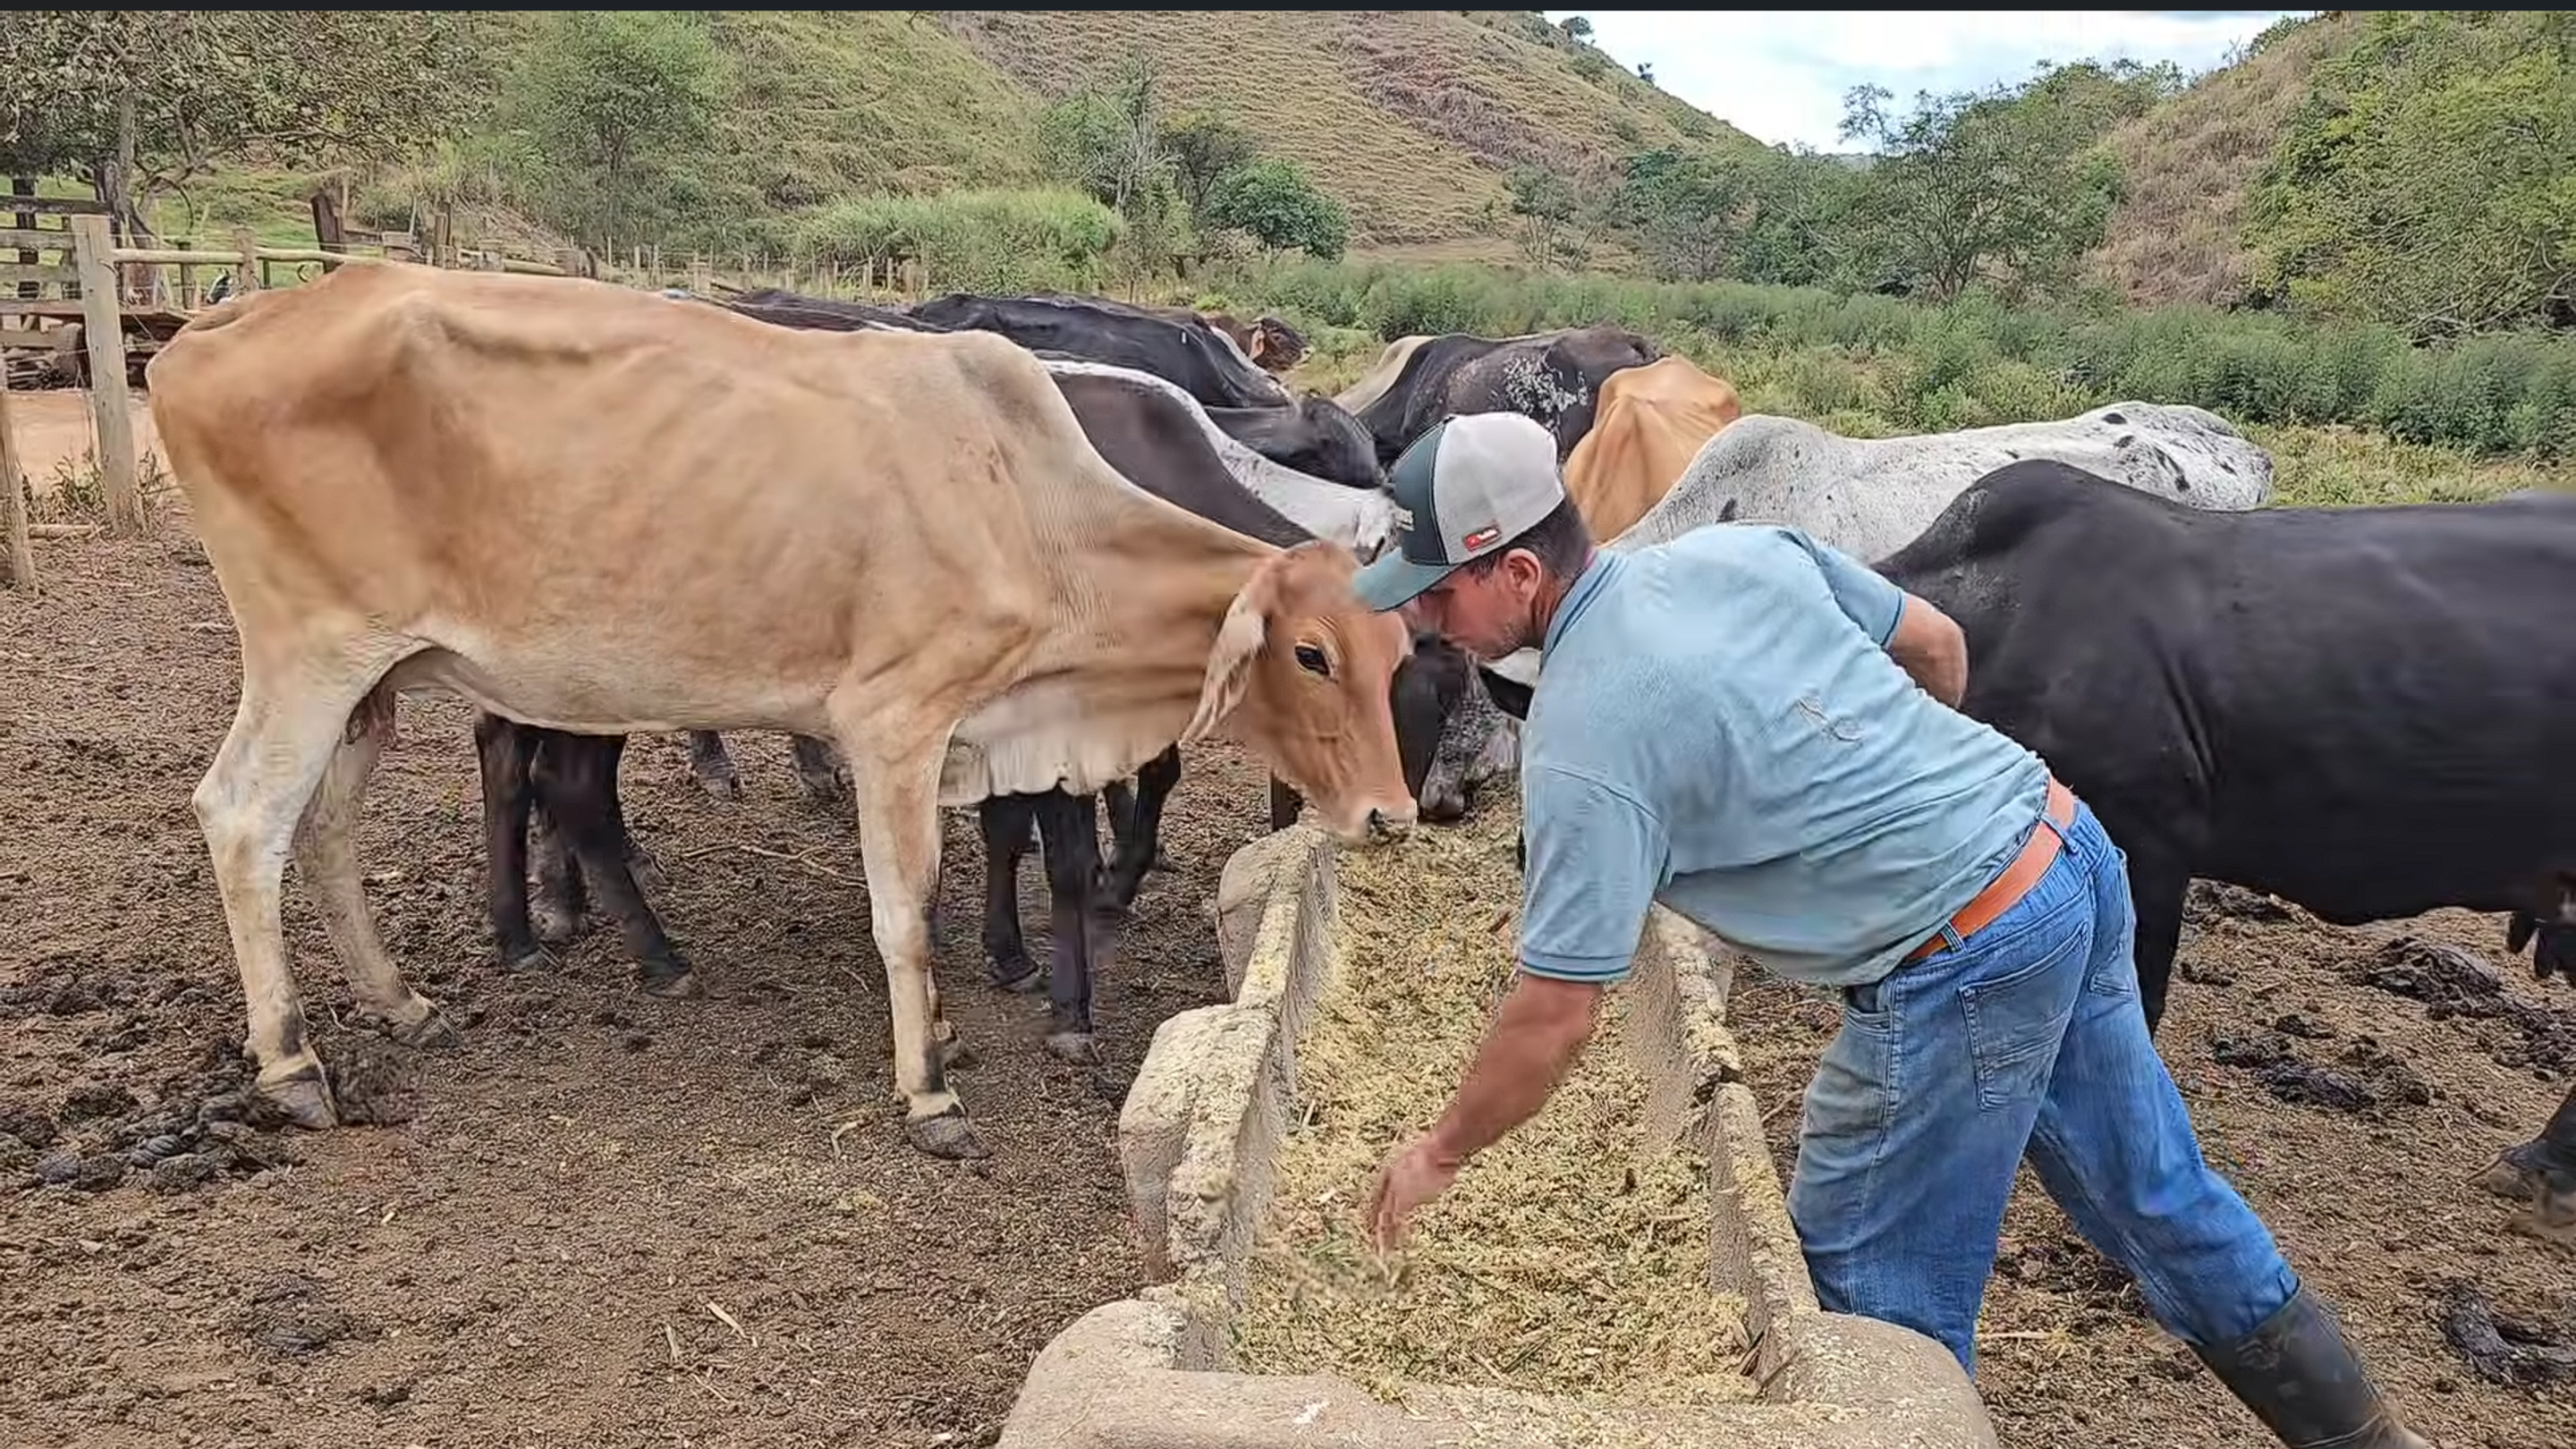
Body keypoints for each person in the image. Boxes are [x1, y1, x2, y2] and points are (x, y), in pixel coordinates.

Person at [1347, 411, 2435, 1449]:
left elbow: (1554, 1019)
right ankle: (2366, 1437)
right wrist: (1909, 802)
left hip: (1967, 956)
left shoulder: (1582, 732)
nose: (1428, 624)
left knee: (1868, 1292)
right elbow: (1938, 644)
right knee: (2153, 1189)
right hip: (2062, 847)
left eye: (1438, 598)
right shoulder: (1743, 557)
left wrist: (1440, 1152)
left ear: (1519, 573)